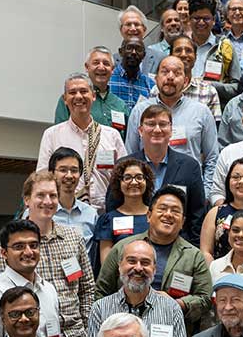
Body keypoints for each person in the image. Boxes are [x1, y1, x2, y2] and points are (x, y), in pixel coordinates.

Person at [0, 170, 96, 337]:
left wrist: (84, 328)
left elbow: (87, 288)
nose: (47, 201)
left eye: (53, 195)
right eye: (40, 195)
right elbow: (2, 298)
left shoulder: (73, 238)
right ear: (27, 200)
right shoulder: (8, 246)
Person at [97, 186, 215, 335]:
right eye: (162, 208)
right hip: (122, 331)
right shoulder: (123, 248)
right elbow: (102, 291)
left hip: (169, 332)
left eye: (175, 211)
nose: (168, 214)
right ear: (148, 216)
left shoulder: (193, 256)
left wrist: (177, 304)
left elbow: (205, 298)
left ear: (183, 222)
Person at [88, 240, 190, 337]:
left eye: (145, 263)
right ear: (119, 266)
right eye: (131, 261)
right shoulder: (100, 309)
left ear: (154, 269)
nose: (138, 268)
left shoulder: (171, 309)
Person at [113, 105, 208, 244]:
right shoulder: (125, 165)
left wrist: (191, 249)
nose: (157, 129)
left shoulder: (190, 166)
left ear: (171, 130)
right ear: (140, 130)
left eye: (163, 124)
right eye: (150, 124)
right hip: (132, 243)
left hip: (177, 245)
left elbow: (197, 214)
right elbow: (113, 205)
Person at [125, 55, 220, 190]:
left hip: (189, 189)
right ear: (156, 78)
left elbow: (212, 158)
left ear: (186, 81)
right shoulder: (140, 111)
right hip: (145, 190)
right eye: (164, 72)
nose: (170, 77)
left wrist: (205, 193)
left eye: (177, 73)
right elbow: (130, 155)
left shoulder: (201, 112)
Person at [36, 72, 128, 206]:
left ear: (94, 96)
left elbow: (124, 175)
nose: (79, 96)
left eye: (84, 91)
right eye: (72, 92)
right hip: (67, 211)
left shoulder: (111, 135)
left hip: (104, 212)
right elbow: (43, 178)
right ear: (65, 99)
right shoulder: (52, 135)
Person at [94, 157, 152, 264]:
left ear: (147, 182)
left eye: (139, 177)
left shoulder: (156, 217)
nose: (134, 182)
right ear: (119, 183)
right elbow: (106, 266)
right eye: (127, 177)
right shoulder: (108, 220)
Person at [56, 47, 128, 128]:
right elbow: (59, 134)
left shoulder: (120, 105)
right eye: (96, 63)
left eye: (106, 63)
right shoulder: (71, 100)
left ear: (112, 70)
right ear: (87, 67)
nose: (101, 67)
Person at [187, 0, 242, 101]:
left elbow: (237, 87)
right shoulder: (181, 47)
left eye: (206, 18)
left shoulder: (224, 47)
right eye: (196, 18)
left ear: (213, 20)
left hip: (214, 108)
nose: (201, 22)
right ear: (189, 19)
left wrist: (212, 86)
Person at [47, 148, 100, 244]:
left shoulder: (91, 215)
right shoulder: (39, 212)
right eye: (63, 170)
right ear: (52, 173)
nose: (69, 176)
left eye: (74, 170)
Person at [169, 32, 223, 122]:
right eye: (178, 50)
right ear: (170, 56)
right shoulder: (158, 90)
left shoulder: (209, 92)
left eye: (188, 50)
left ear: (195, 57)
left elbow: (214, 131)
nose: (183, 54)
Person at [112, 37, 157, 113]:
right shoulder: (108, 80)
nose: (133, 52)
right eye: (129, 48)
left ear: (144, 55)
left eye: (139, 49)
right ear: (120, 52)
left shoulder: (150, 85)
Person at [143, 7, 183, 75]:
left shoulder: (187, 51)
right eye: (169, 21)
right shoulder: (151, 51)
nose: (173, 23)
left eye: (176, 20)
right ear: (161, 28)